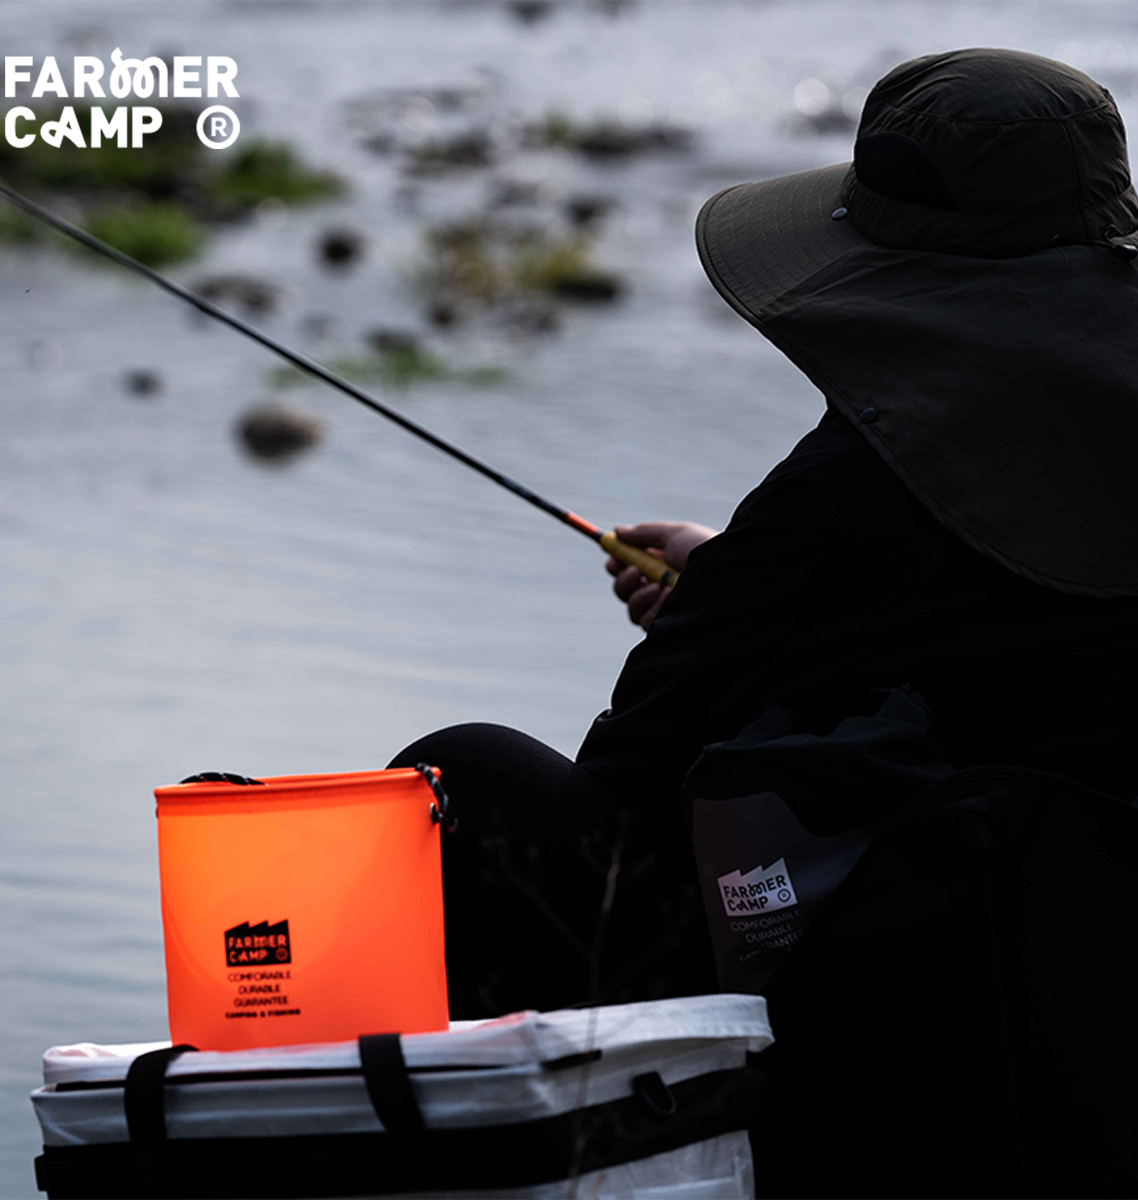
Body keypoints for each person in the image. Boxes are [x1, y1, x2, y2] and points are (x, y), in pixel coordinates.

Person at [390, 47, 1138, 1023]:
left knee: (468, 774)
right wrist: (734, 586)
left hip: (914, 962)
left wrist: (735, 608)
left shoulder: (847, 488)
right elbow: (997, 654)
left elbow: (641, 776)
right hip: (1092, 932)